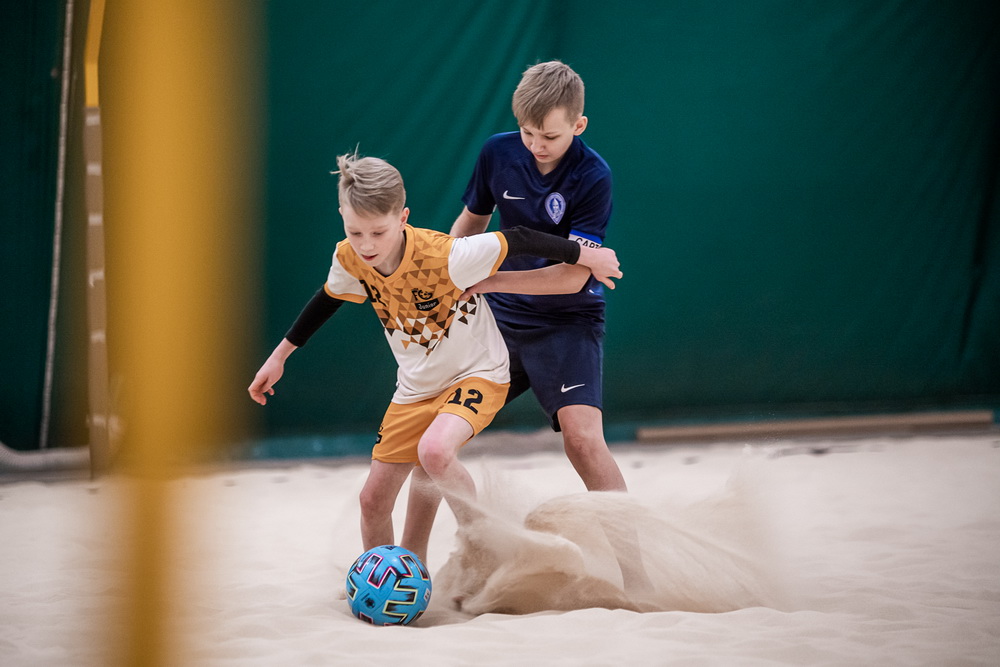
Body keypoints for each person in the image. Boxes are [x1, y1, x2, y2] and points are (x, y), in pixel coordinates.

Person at [247, 152, 622, 564]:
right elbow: (328, 298)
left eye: (378, 232)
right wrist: (279, 357)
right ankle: (392, 577)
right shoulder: (349, 257)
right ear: (342, 217)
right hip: (415, 388)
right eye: (355, 232)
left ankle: (483, 547)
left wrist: (585, 256)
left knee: (435, 452)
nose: (367, 245)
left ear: (402, 217)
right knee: (372, 500)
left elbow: (519, 238)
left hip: (477, 375)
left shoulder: (446, 255)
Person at [449, 60, 629, 494]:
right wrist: (446, 269)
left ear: (578, 125)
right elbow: (471, 223)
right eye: (527, 132)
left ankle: (631, 544)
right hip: (499, 319)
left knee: (583, 441)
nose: (536, 145)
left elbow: (572, 278)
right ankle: (444, 537)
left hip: (567, 321)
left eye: (549, 136)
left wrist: (491, 282)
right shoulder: (498, 152)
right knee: (433, 436)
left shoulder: (593, 176)